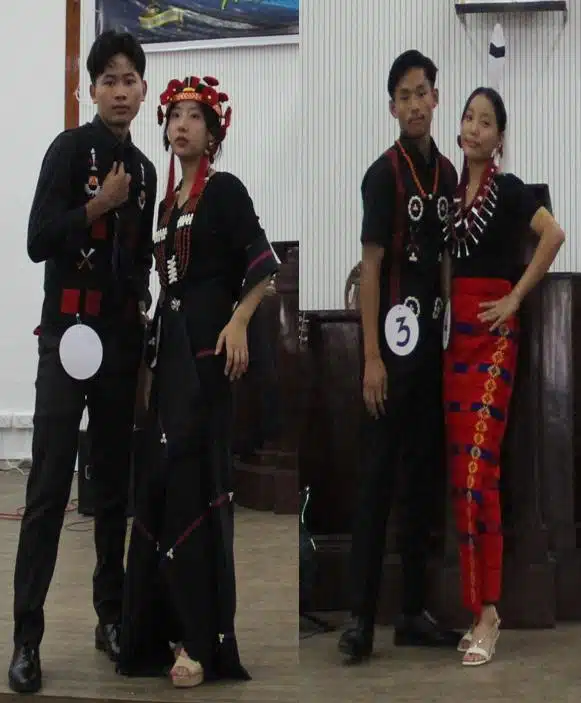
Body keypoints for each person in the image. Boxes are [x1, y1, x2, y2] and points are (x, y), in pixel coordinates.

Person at [116, 75, 279, 688]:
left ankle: (199, 639)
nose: (181, 124)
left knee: (194, 487)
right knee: (158, 486)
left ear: (213, 133)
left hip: (209, 356)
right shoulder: (164, 205)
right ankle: (154, 630)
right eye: (175, 115)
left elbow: (262, 265)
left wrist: (238, 321)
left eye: (194, 116)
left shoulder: (225, 191)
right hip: (170, 356)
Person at [7, 31, 156, 694]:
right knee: (47, 489)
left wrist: (143, 318)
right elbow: (37, 239)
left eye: (130, 80)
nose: (120, 91)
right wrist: (98, 205)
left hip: (119, 346)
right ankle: (26, 638)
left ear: (143, 90)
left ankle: (111, 617)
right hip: (65, 338)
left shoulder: (146, 171)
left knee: (113, 491)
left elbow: (141, 262)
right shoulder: (68, 151)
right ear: (90, 88)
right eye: (108, 80)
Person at [338, 50, 461, 663]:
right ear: (392, 107)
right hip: (389, 351)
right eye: (404, 96)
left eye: (423, 93)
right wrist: (371, 358)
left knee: (421, 481)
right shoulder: (381, 175)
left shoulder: (449, 174)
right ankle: (361, 618)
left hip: (433, 350)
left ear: (436, 98)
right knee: (377, 483)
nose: (415, 104)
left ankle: (412, 612)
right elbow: (371, 266)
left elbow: (446, 261)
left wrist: (452, 330)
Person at [444, 87, 565, 666]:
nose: (474, 127)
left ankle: (490, 612)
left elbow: (554, 235)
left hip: (493, 339)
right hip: (453, 341)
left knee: (478, 475)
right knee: (461, 481)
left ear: (499, 137)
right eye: (469, 117)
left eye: (486, 121)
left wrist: (515, 297)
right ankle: (477, 609)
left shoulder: (511, 190)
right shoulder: (447, 193)